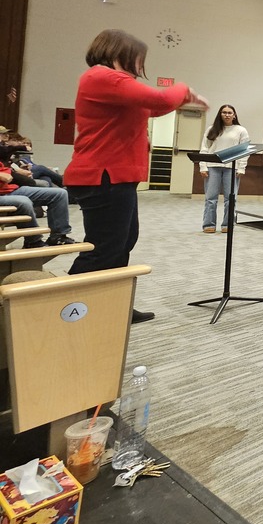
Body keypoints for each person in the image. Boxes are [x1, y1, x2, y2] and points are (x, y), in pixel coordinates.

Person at [64, 28, 208, 324]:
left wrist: (178, 100)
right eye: (138, 60)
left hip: (114, 178)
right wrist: (184, 89)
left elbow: (148, 108)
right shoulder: (101, 76)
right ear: (121, 53)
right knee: (103, 248)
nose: (140, 68)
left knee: (124, 240)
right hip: (103, 176)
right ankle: (64, 310)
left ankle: (113, 306)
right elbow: (158, 99)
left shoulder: (112, 84)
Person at [199, 105, 249, 234]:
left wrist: (241, 168)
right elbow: (204, 148)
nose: (227, 115)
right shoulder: (212, 129)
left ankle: (227, 224)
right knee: (211, 198)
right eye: (224, 112)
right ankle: (208, 224)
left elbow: (245, 150)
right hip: (212, 167)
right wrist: (203, 166)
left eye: (229, 113)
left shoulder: (241, 130)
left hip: (231, 168)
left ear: (234, 115)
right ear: (220, 114)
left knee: (230, 198)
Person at [0, 159, 76, 244]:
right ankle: (33, 241)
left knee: (59, 194)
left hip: (9, 189)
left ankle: (58, 236)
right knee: (24, 201)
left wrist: (17, 171)